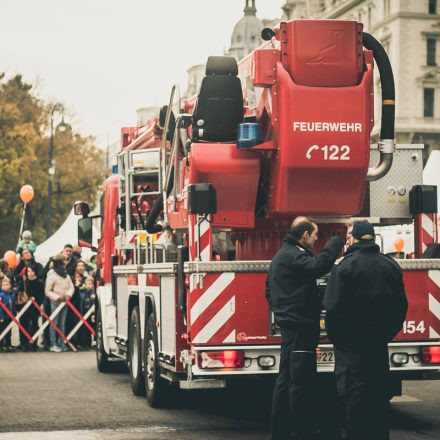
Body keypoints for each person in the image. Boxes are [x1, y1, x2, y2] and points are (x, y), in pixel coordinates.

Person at [323, 220, 408, 440]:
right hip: (378, 342)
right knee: (378, 394)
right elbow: (400, 306)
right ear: (371, 237)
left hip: (350, 346)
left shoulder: (344, 266)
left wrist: (338, 338)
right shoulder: (390, 265)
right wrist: (386, 334)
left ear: (355, 238)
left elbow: (332, 306)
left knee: (354, 395)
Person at [266, 216, 344, 440]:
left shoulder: (283, 256)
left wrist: (285, 310)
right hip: (300, 327)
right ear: (304, 235)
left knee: (287, 378)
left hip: (292, 325)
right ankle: (300, 430)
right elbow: (317, 267)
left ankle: (280, 430)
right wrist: (335, 243)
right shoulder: (293, 255)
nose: (317, 237)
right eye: (315, 234)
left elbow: (269, 291)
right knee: (300, 380)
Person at [45, 254, 74, 352]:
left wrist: (68, 295)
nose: (65, 263)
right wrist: (57, 297)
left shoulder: (67, 275)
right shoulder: (52, 275)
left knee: (62, 324)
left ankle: (62, 343)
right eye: (64, 261)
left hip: (65, 303)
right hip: (55, 303)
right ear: (59, 263)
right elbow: (47, 291)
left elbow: (71, 287)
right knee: (54, 323)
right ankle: (53, 344)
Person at [19, 265, 45, 351]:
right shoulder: (24, 283)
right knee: (24, 324)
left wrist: (35, 299)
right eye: (28, 271)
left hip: (35, 308)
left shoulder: (39, 283)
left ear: (35, 272)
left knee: (34, 325)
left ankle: (33, 342)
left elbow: (41, 296)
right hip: (24, 308)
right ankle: (24, 343)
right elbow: (20, 294)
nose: (30, 273)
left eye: (32, 271)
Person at [78, 276, 95, 349]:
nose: (88, 285)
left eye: (90, 284)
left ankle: (92, 344)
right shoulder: (84, 293)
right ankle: (86, 344)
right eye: (86, 284)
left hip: (91, 314)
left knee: (91, 329)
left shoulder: (93, 294)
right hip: (84, 314)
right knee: (86, 330)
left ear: (93, 285)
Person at [0, 277, 16, 352]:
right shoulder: (1, 295)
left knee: (9, 331)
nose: (5, 286)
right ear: (1, 286)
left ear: (10, 286)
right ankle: (1, 345)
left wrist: (14, 315)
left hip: (10, 317)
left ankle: (8, 344)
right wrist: (1, 316)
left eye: (7, 284)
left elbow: (14, 306)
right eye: (4, 285)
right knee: (2, 331)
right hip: (3, 317)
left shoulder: (12, 295)